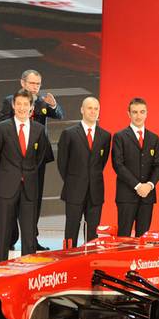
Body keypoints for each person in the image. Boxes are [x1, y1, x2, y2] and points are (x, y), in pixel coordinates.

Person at [0, 69, 63, 250]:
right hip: (14, 160)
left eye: (38, 84)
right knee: (12, 198)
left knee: (33, 200)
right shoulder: (10, 101)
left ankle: (31, 240)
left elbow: (59, 114)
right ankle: (10, 239)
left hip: (37, 161)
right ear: (23, 83)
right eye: (32, 83)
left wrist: (53, 105)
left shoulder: (42, 101)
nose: (35, 87)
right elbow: (1, 126)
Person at [0, 88, 52, 262]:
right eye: (19, 104)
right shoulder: (2, 128)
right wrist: (8, 175)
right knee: (4, 234)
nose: (22, 108)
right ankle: (1, 269)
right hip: (6, 187)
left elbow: (40, 157)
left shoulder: (39, 130)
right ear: (13, 105)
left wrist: (28, 172)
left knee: (29, 235)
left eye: (26, 104)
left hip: (30, 188)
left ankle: (27, 271)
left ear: (31, 107)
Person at [57, 97, 111, 247]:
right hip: (74, 190)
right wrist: (74, 181)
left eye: (96, 109)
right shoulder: (69, 133)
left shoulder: (105, 136)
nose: (93, 111)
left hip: (95, 191)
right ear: (82, 110)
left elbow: (101, 162)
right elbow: (62, 163)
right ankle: (68, 258)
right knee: (71, 229)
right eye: (89, 108)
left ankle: (89, 258)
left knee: (92, 233)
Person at [111, 97, 159, 237]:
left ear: (146, 113)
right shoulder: (120, 136)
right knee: (124, 236)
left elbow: (158, 165)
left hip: (147, 196)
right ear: (128, 114)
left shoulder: (154, 138)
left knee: (143, 237)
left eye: (142, 112)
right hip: (126, 196)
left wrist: (150, 185)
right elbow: (118, 165)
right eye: (134, 112)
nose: (138, 116)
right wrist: (138, 186)